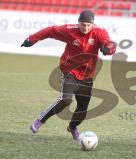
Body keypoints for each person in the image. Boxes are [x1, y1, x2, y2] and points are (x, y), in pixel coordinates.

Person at [21, 10, 116, 141]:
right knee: (66, 99)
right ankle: (41, 120)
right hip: (69, 70)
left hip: (87, 75)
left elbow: (108, 43)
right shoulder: (69, 30)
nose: (86, 28)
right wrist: (32, 39)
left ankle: (72, 127)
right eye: (83, 24)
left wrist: (109, 48)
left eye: (89, 25)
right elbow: (50, 30)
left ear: (93, 25)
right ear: (78, 23)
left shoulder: (99, 32)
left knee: (82, 110)